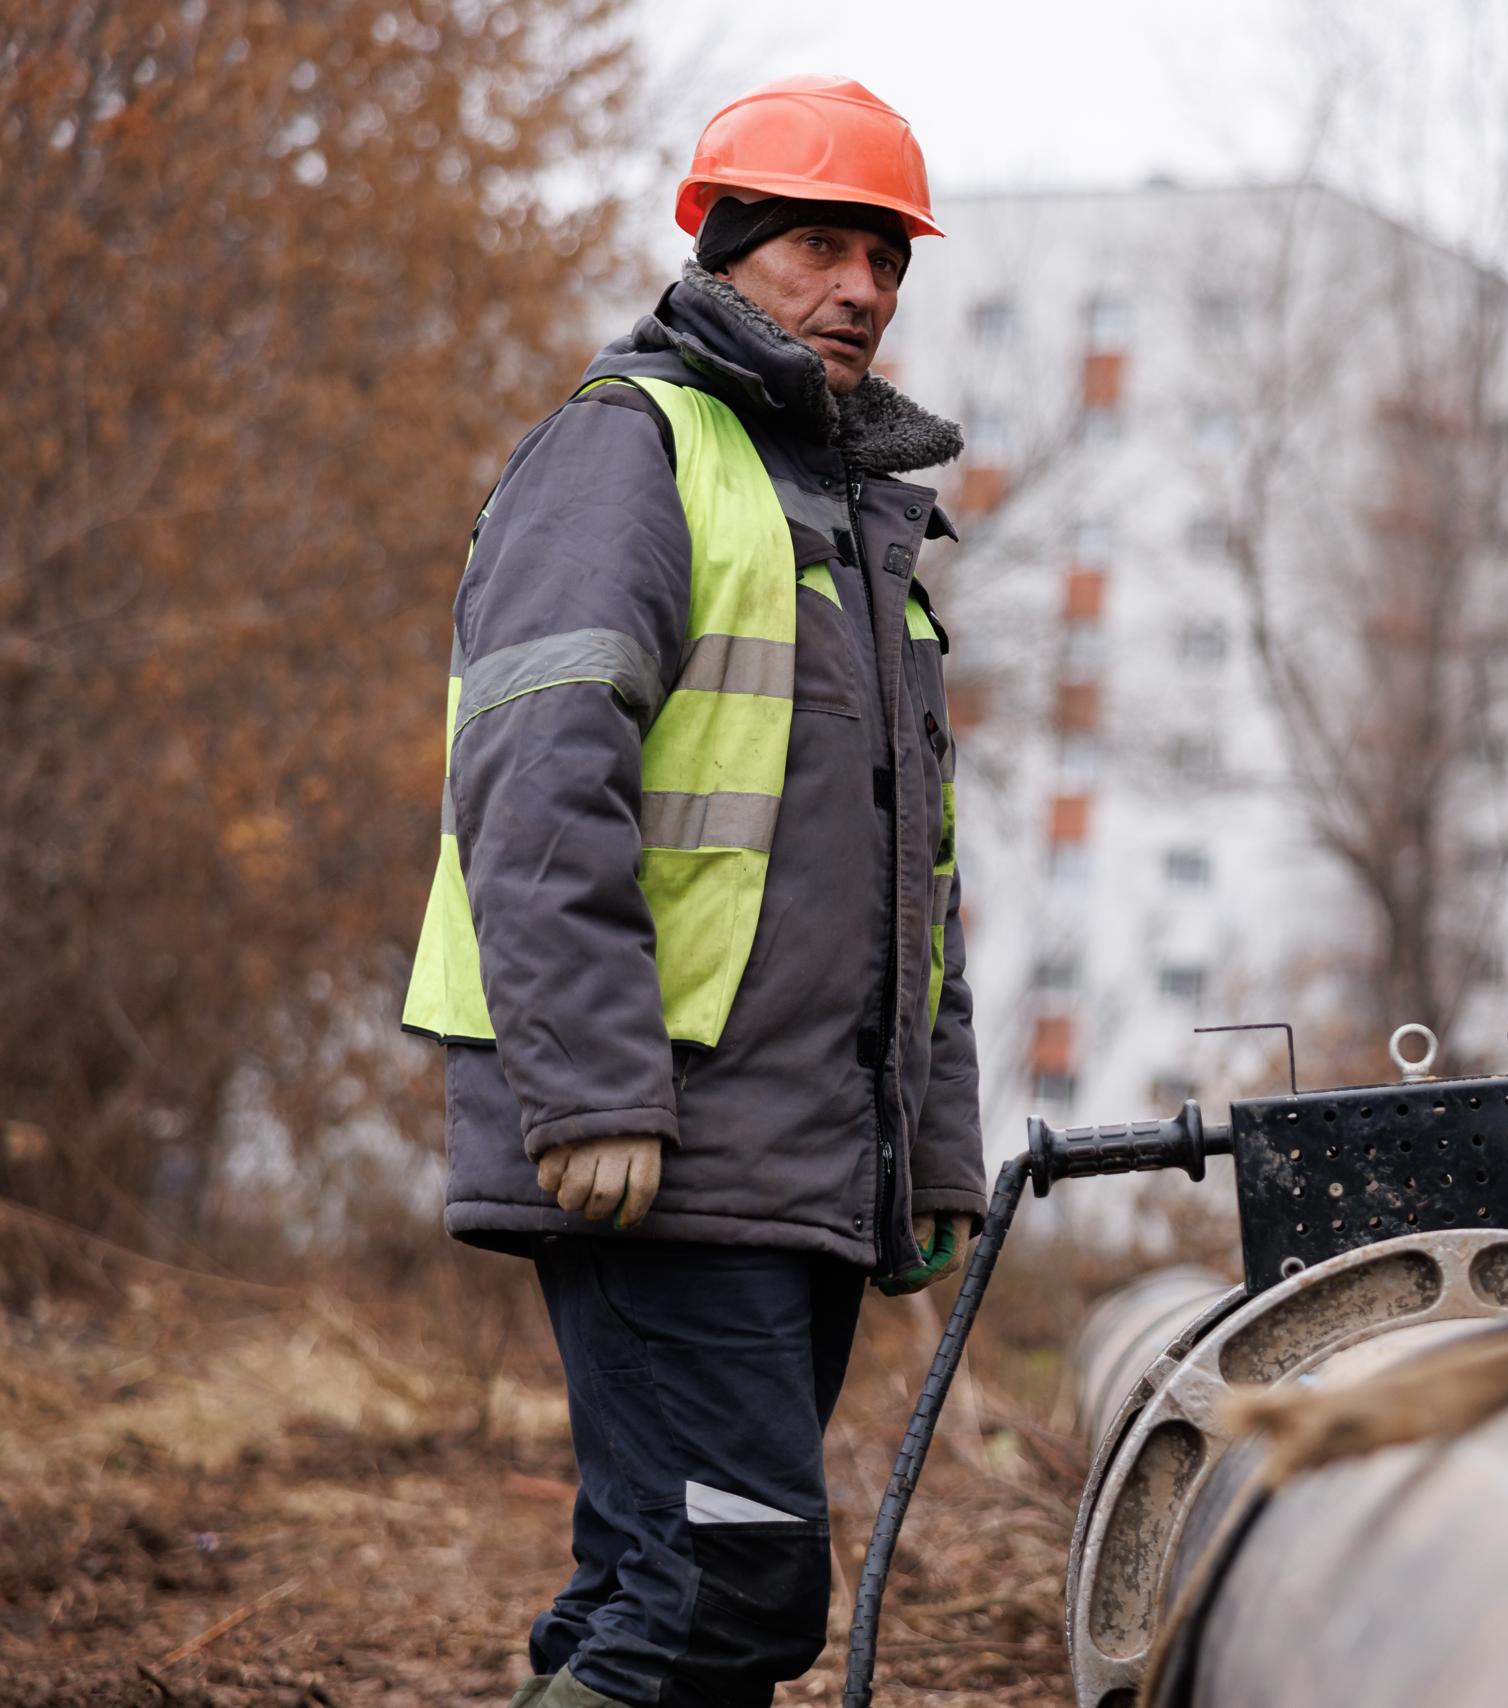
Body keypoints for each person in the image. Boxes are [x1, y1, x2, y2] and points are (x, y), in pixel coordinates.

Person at [399, 76, 983, 1708]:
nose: (862, 288)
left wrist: (932, 1143)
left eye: (887, 257)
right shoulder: (629, 452)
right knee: (728, 1593)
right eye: (820, 246)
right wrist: (591, 1092)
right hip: (658, 1149)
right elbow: (534, 788)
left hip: (792, 1167)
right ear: (724, 252)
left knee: (659, 1584)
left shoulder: (855, 520)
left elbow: (916, 874)